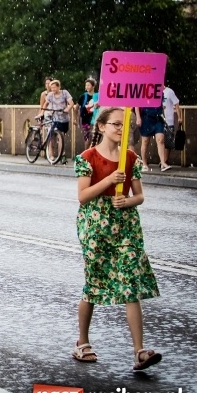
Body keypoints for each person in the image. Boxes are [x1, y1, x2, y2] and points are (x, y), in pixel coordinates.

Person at [72, 107, 162, 371]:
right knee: (94, 283)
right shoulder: (87, 158)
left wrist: (128, 201)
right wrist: (110, 179)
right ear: (101, 127)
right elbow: (83, 196)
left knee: (130, 283)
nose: (122, 129)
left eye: (126, 125)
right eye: (116, 124)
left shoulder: (131, 158)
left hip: (126, 226)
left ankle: (139, 351)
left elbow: (139, 196)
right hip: (96, 225)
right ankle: (83, 341)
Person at [134, 99, 169, 172]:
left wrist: (164, 116)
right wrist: (138, 117)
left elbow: (161, 102)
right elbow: (137, 102)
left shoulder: (158, 88)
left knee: (160, 139)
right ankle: (144, 163)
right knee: (145, 141)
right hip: (146, 117)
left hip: (158, 117)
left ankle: (162, 162)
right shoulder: (143, 89)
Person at [161, 85, 181, 166]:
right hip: (159, 120)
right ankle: (162, 160)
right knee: (160, 141)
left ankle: (165, 160)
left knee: (168, 141)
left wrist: (179, 117)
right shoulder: (155, 92)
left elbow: (176, 104)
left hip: (169, 120)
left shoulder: (169, 91)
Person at [77, 78, 96, 144]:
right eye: (86, 85)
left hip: (95, 119)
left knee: (95, 138)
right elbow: (76, 107)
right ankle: (86, 152)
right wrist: (75, 119)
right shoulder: (83, 96)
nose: (87, 87)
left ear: (93, 86)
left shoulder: (97, 96)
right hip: (85, 119)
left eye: (88, 85)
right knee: (87, 138)